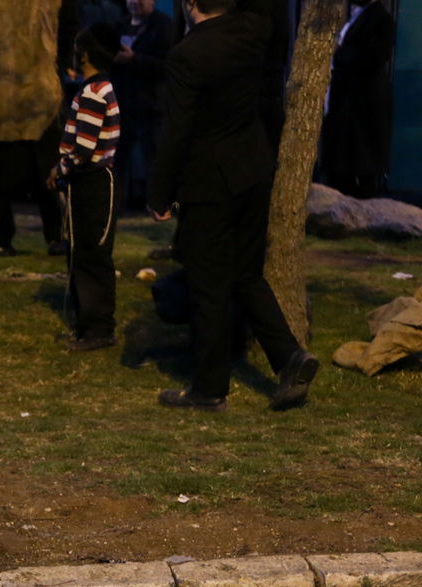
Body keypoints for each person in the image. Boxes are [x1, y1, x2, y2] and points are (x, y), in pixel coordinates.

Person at [149, 0, 316, 413]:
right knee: (245, 274)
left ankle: (209, 388)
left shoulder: (188, 55)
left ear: (190, 5)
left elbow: (177, 130)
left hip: (209, 182)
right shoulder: (252, 33)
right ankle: (290, 356)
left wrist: (159, 192)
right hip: (252, 171)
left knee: (208, 285)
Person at [0, 0, 76, 257]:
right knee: (0, 173)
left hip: (35, 91)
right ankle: (0, 234)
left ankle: (56, 233)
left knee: (48, 169)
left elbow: (69, 23)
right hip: (2, 91)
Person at [48, 24, 120, 351]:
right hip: (95, 179)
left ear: (86, 53)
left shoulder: (92, 93)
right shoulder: (103, 87)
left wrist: (59, 168)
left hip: (91, 182)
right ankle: (91, 325)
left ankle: (97, 329)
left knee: (90, 254)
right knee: (90, 252)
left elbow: (84, 147)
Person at [321, 0, 396, 199]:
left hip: (363, 105)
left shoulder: (381, 19)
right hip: (348, 102)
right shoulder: (356, 17)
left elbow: (376, 57)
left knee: (362, 167)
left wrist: (338, 51)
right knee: (343, 163)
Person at [110, 0, 171, 212]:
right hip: (122, 104)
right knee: (118, 161)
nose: (135, 2)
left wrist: (134, 59)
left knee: (152, 160)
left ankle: (155, 207)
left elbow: (168, 66)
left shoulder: (163, 26)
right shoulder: (119, 25)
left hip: (150, 105)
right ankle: (115, 206)